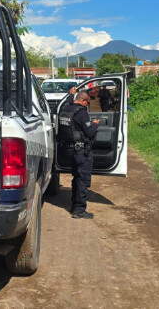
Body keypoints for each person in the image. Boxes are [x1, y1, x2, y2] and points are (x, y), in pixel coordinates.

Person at [57, 90, 101, 219]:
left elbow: (68, 101)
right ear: (83, 101)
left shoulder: (65, 108)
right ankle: (79, 210)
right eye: (87, 103)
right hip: (81, 152)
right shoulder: (82, 113)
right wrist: (95, 124)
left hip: (68, 150)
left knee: (76, 178)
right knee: (82, 180)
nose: (86, 105)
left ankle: (74, 206)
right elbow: (90, 133)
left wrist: (71, 94)